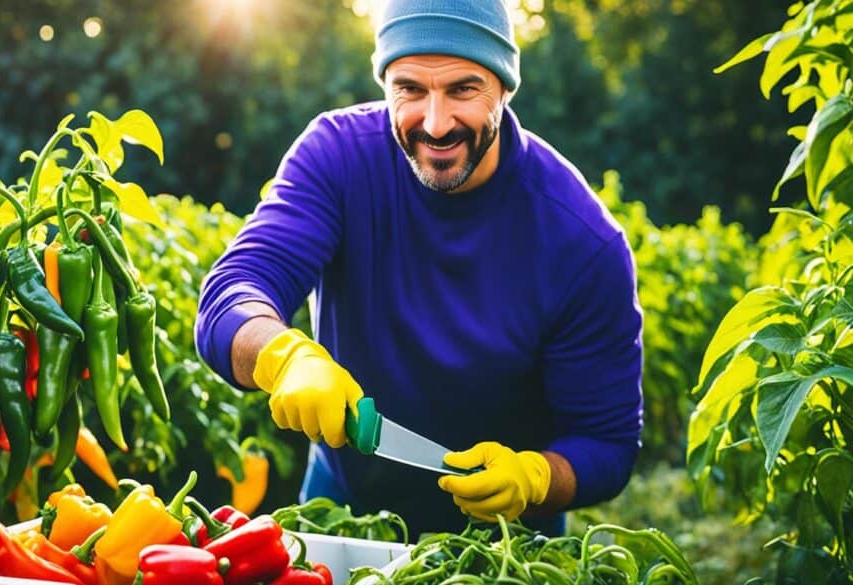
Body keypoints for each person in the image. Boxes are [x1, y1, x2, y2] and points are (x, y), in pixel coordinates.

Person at [195, 0, 643, 537]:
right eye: (410, 88)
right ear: (385, 82)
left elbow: (607, 444)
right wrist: (282, 356)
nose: (435, 124)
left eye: (462, 89)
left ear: (504, 87)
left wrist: (534, 478)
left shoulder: (580, 240)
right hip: (342, 510)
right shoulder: (337, 157)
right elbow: (235, 289)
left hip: (505, 546)